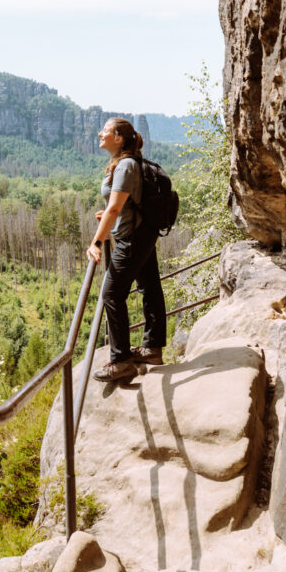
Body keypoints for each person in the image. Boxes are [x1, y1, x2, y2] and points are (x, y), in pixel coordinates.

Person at [86, 117, 167, 383]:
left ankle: (121, 361)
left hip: (132, 238)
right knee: (149, 287)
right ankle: (152, 348)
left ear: (119, 138)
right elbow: (120, 206)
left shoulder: (126, 166)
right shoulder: (126, 164)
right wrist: (112, 218)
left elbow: (114, 207)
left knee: (111, 294)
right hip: (141, 232)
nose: (100, 134)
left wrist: (97, 242)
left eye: (105, 131)